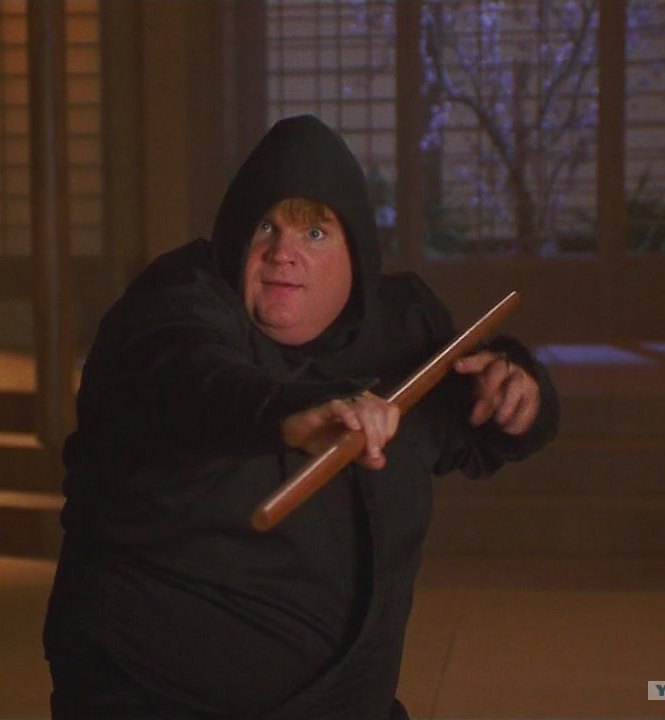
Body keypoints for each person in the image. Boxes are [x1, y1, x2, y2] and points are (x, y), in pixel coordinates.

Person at [43, 114, 559, 719]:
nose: (282, 253)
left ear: (356, 251)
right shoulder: (177, 300)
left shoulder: (400, 327)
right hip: (152, 694)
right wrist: (286, 415)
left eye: (314, 233)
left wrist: (518, 393)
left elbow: (478, 432)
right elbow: (191, 376)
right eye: (266, 226)